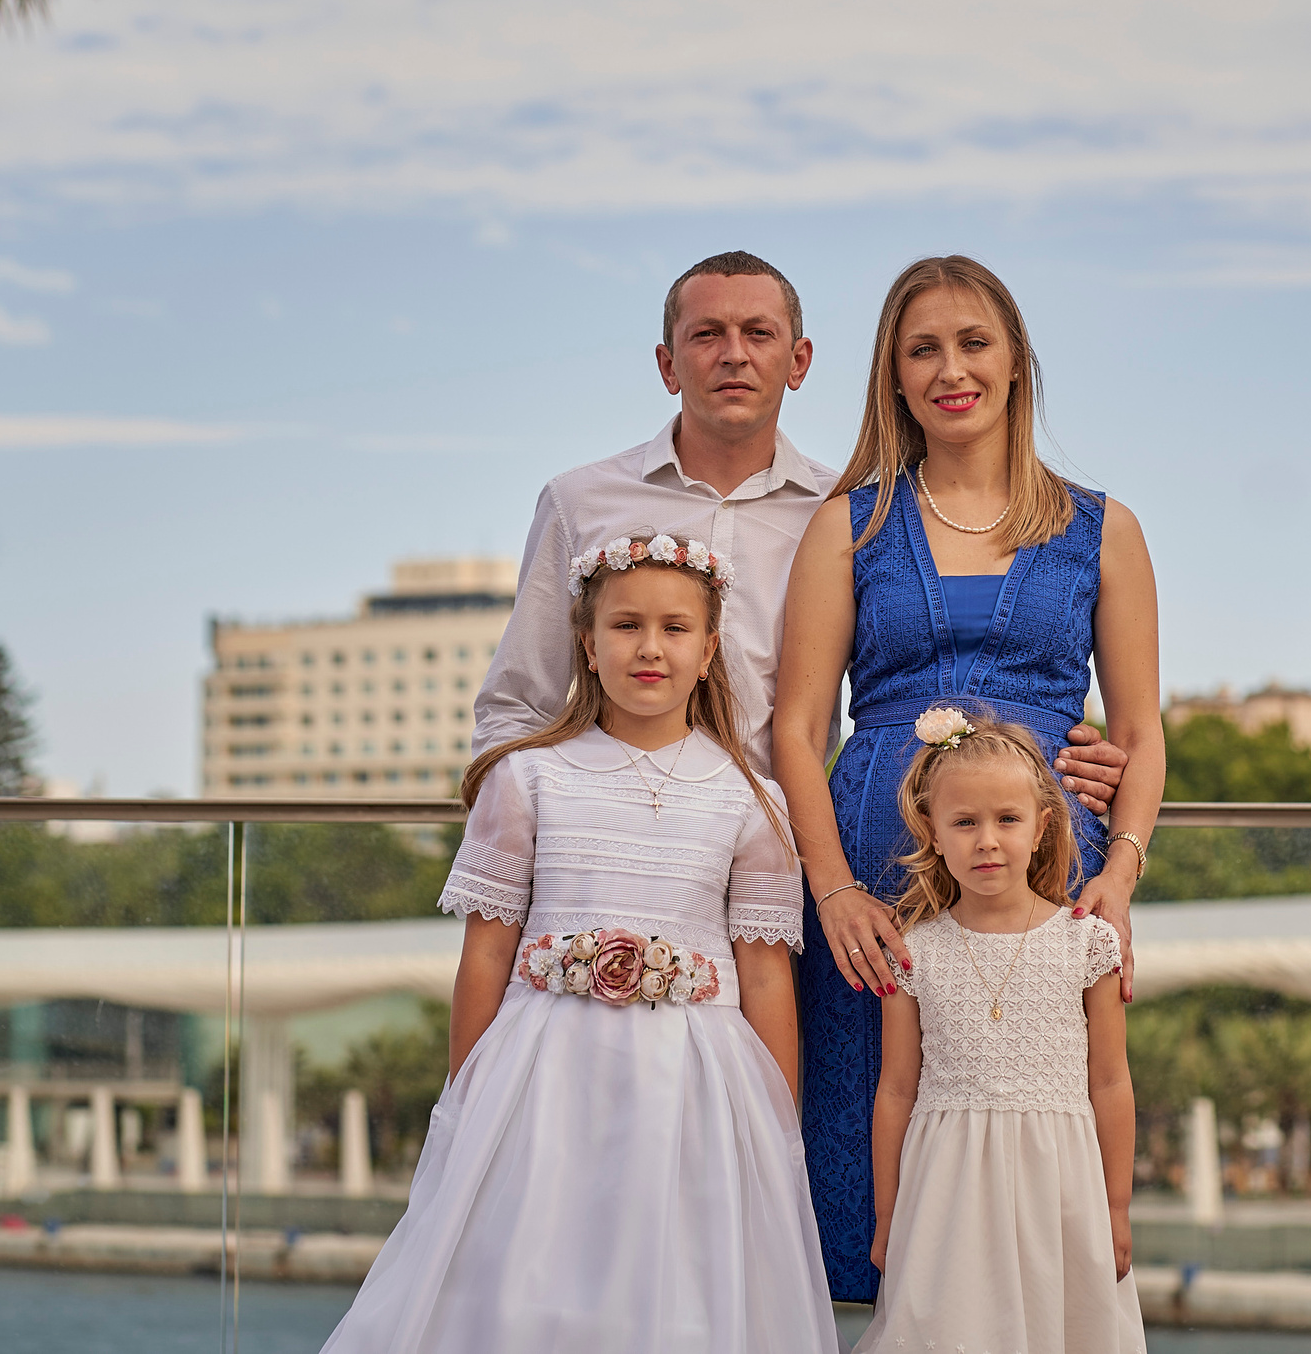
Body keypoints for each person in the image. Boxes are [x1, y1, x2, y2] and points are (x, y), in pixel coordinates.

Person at [319, 531, 834, 1354]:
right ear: (588, 645)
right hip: (545, 1073)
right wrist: (467, 1093)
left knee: (676, 1286)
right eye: (626, 626)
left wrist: (776, 1123)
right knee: (530, 1277)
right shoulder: (528, 777)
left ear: (709, 650)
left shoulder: (751, 799)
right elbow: (487, 953)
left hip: (693, 1084)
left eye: (674, 628)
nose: (650, 647)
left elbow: (767, 975)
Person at [773, 253, 1166, 1301]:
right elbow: (796, 727)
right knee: (866, 1099)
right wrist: (832, 890)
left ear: (1016, 360)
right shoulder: (849, 524)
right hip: (869, 880)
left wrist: (1120, 874)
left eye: (973, 342)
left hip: (1045, 871)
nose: (951, 369)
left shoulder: (1103, 530)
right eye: (923, 350)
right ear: (894, 376)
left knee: (1039, 1098)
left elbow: (1141, 730)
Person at [475, 249, 1130, 796]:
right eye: (706, 334)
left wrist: (1062, 745)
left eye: (759, 333)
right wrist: (529, 835)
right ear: (668, 365)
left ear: (799, 361)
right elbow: (516, 705)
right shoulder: (580, 501)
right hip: (612, 837)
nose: (734, 355)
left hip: (778, 852)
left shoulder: (850, 515)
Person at [856, 707, 1145, 1354]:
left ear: (1041, 827)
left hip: (1059, 1191)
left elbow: (1109, 1081)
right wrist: (887, 1214)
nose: (986, 840)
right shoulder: (913, 951)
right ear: (933, 832)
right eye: (965, 822)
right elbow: (896, 1089)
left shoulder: (1087, 943)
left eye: (1007, 819)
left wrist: (1116, 1207)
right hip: (946, 1193)